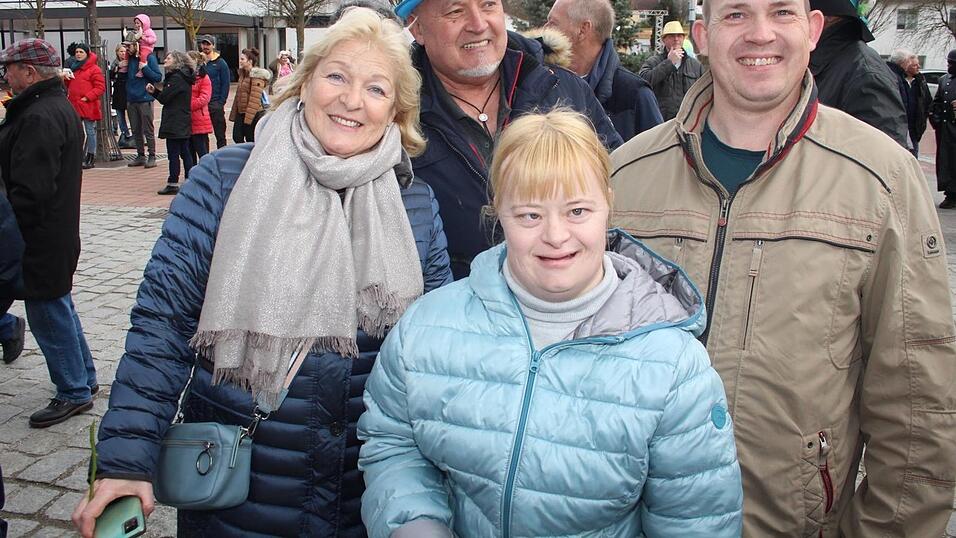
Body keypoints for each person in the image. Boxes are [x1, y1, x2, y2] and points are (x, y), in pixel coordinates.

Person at [72, 8, 453, 537]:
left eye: (376, 88)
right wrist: (126, 460)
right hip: (241, 492)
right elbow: (161, 327)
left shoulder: (415, 203)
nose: (351, 100)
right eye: (337, 76)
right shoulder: (224, 179)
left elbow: (440, 354)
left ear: (396, 111)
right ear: (305, 82)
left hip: (367, 492)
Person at [610, 1, 956, 536]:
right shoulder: (623, 178)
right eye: (736, 15)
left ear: (813, 29)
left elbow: (919, 400)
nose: (760, 34)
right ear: (702, 35)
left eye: (781, 12)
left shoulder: (881, 179)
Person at [358, 109, 742, 537]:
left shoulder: (673, 365)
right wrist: (416, 524)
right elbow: (394, 440)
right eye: (529, 216)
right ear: (498, 213)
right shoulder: (427, 328)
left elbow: (694, 520)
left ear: (608, 207)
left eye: (577, 211)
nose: (556, 235)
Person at [394, 0, 622, 280]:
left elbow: (619, 180)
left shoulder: (564, 89)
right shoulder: (394, 112)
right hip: (457, 311)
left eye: (488, 4)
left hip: (570, 307)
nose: (478, 25)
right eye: (455, 11)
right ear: (416, 28)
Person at [0, 39, 99, 428]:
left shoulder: (40, 114)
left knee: (49, 311)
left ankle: (74, 389)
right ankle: (84, 378)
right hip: (51, 232)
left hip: (37, 234)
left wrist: (12, 230)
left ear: (30, 72)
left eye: (11, 67)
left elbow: (30, 190)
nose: (6, 74)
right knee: (58, 306)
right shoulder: (48, 106)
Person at [545, 0, 662, 141]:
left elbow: (659, 158)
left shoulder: (636, 95)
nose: (545, 28)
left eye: (553, 23)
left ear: (582, 29)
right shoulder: (544, 83)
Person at [809, 0, 909, 148]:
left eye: (785, 14)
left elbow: (884, 159)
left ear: (820, 19)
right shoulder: (822, 61)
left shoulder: (866, 73)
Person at [148, 51, 195, 196]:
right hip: (181, 119)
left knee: (175, 153)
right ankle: (189, 179)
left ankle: (174, 182)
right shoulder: (183, 77)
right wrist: (156, 92)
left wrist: (154, 92)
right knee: (184, 151)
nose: (165, 60)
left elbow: (165, 97)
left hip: (176, 121)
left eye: (169, 58)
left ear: (177, 61)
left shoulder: (176, 78)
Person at [638, 21, 703, 121]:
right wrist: (669, 63)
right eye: (672, 36)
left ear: (683, 38)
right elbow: (643, 82)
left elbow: (704, 94)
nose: (676, 39)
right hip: (660, 123)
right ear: (664, 39)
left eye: (679, 36)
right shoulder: (653, 62)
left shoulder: (695, 66)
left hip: (687, 122)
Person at [64, 42, 105, 170]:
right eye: (77, 52)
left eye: (81, 52)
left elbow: (100, 87)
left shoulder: (94, 69)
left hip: (87, 105)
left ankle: (90, 157)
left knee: (90, 131)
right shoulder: (73, 68)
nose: (78, 54)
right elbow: (69, 85)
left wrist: (87, 97)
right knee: (77, 132)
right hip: (75, 104)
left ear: (87, 53)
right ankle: (78, 156)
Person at [887, 49, 931, 158]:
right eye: (914, 65)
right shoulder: (896, 79)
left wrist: (922, 123)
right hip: (898, 128)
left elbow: (927, 103)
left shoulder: (920, 81)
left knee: (912, 158)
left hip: (914, 129)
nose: (918, 67)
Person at [124, 40, 162, 168]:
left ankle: (152, 156)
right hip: (131, 98)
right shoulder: (128, 60)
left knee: (148, 129)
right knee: (135, 129)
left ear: (137, 45)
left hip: (145, 98)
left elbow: (157, 77)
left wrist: (145, 68)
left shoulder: (149, 57)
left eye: (129, 46)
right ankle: (140, 155)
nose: (127, 48)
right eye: (126, 46)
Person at [230, 47, 271, 143]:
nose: (240, 61)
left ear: (250, 61)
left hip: (253, 114)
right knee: (237, 137)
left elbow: (255, 100)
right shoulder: (242, 75)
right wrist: (234, 113)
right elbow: (238, 96)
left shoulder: (256, 77)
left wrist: (248, 120)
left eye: (242, 59)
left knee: (250, 139)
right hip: (241, 112)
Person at [931, 49, 956, 209]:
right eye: (948, 62)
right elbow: (936, 103)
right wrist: (936, 120)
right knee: (945, 162)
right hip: (946, 129)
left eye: (951, 63)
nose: (948, 65)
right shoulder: (943, 80)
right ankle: (949, 191)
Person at [198, 34, 230, 149]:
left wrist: (221, 102)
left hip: (215, 102)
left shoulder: (221, 63)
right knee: (202, 135)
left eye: (208, 44)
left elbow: (226, 83)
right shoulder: (198, 62)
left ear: (213, 45)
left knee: (220, 134)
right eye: (203, 43)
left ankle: (222, 155)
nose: (205, 46)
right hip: (202, 104)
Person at [186, 50, 212, 169]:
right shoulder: (186, 77)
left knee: (202, 150)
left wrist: (188, 105)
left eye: (188, 60)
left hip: (199, 119)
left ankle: (206, 173)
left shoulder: (203, 77)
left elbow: (204, 98)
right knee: (189, 151)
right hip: (187, 119)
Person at [109, 44, 134, 149]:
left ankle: (135, 135)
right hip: (118, 91)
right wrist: (117, 67)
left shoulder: (131, 62)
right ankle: (125, 134)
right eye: (121, 52)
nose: (123, 54)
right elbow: (110, 76)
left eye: (124, 51)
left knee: (132, 114)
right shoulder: (115, 63)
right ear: (117, 53)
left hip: (128, 91)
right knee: (120, 115)